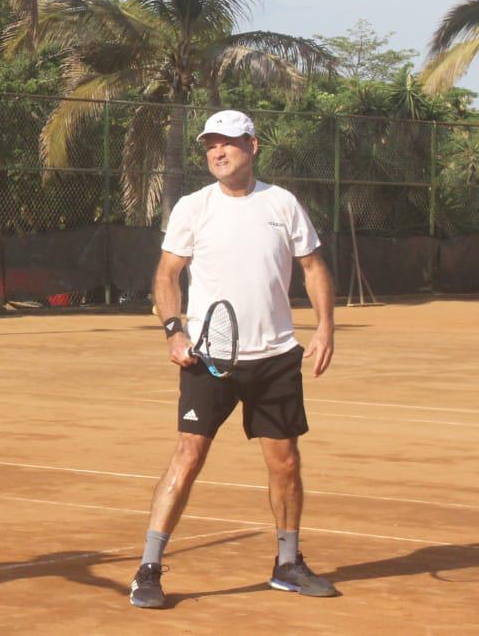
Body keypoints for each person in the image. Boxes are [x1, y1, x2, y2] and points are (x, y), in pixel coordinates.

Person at [129, 109, 337, 609]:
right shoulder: (192, 207)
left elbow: (312, 267)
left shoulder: (282, 203)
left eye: (228, 143)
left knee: (285, 463)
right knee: (188, 456)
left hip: (276, 357)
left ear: (253, 146)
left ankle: (287, 564)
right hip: (209, 359)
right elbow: (166, 276)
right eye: (210, 145)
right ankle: (148, 569)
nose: (218, 152)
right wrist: (173, 331)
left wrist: (326, 326)